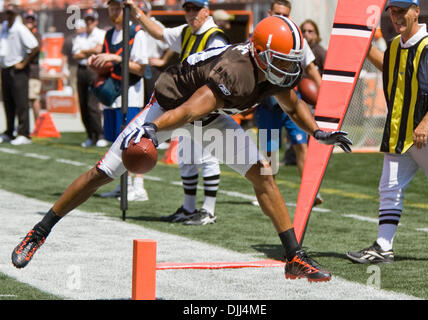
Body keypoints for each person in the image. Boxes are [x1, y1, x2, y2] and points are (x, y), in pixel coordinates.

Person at [11, 15, 352, 282]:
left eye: (291, 61)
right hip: (170, 107)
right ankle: (39, 232)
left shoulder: (268, 70)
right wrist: (151, 127)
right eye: (281, 60)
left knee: (263, 174)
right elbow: (188, 111)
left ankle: (294, 257)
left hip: (210, 116)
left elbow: (292, 105)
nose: (289, 68)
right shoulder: (237, 72)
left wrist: (318, 132)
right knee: (104, 172)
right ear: (260, 54)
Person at [346, 0, 428, 264]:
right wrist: (363, 46)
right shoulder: (395, 45)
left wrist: (425, 123)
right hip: (398, 133)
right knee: (389, 188)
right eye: (393, 11)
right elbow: (390, 66)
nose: (396, 16)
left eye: (402, 11)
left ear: (417, 11)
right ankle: (383, 246)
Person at [128, 0, 230, 225]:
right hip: (185, 106)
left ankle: (209, 210)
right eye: (188, 8)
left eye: (196, 8)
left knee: (207, 157)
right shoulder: (187, 32)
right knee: (186, 157)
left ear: (206, 10)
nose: (191, 13)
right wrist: (137, 13)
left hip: (206, 107)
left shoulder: (215, 37)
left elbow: (218, 75)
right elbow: (159, 33)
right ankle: (189, 207)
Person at [254, 0, 323, 205]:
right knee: (270, 150)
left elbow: (310, 68)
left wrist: (325, 95)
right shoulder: (257, 35)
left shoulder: (296, 38)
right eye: (277, 13)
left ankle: (311, 192)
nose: (281, 18)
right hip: (267, 103)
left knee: (302, 145)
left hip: (291, 100)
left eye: (285, 15)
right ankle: (268, 191)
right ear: (269, 13)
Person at [92, 0, 149, 201]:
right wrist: (99, 62)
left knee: (132, 142)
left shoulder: (137, 33)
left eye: (118, 8)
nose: (114, 11)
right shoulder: (109, 34)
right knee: (116, 141)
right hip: (113, 93)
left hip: (130, 94)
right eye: (111, 8)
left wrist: (115, 59)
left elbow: (141, 68)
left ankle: (139, 187)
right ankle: (123, 185)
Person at [0, 1, 39, 145]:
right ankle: (9, 131)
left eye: (10, 13)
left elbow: (35, 46)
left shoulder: (19, 28)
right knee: (8, 102)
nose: (8, 15)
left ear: (15, 14)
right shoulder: (4, 27)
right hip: (5, 69)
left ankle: (24, 133)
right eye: (6, 12)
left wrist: (23, 62)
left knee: (21, 102)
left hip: (18, 71)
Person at [72, 9, 108, 148]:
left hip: (94, 70)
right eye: (87, 20)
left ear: (96, 21)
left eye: (91, 20)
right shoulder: (80, 37)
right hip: (81, 70)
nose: (89, 22)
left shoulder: (101, 34)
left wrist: (84, 52)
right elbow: (75, 55)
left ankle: (99, 134)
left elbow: (99, 50)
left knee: (92, 104)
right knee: (82, 104)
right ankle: (90, 135)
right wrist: (90, 50)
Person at [136, 0, 173, 105]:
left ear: (150, 12)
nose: (142, 15)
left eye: (144, 12)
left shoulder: (156, 25)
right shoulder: (136, 26)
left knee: (151, 102)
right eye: (140, 13)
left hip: (152, 68)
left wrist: (163, 60)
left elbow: (173, 43)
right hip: (137, 67)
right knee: (140, 102)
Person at [23, 10, 42, 124]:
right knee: (21, 100)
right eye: (27, 18)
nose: (29, 21)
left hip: (32, 72)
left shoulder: (37, 35)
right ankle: (23, 126)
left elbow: (34, 51)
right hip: (22, 72)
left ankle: (37, 125)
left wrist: (23, 62)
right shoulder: (21, 34)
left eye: (32, 19)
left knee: (33, 98)